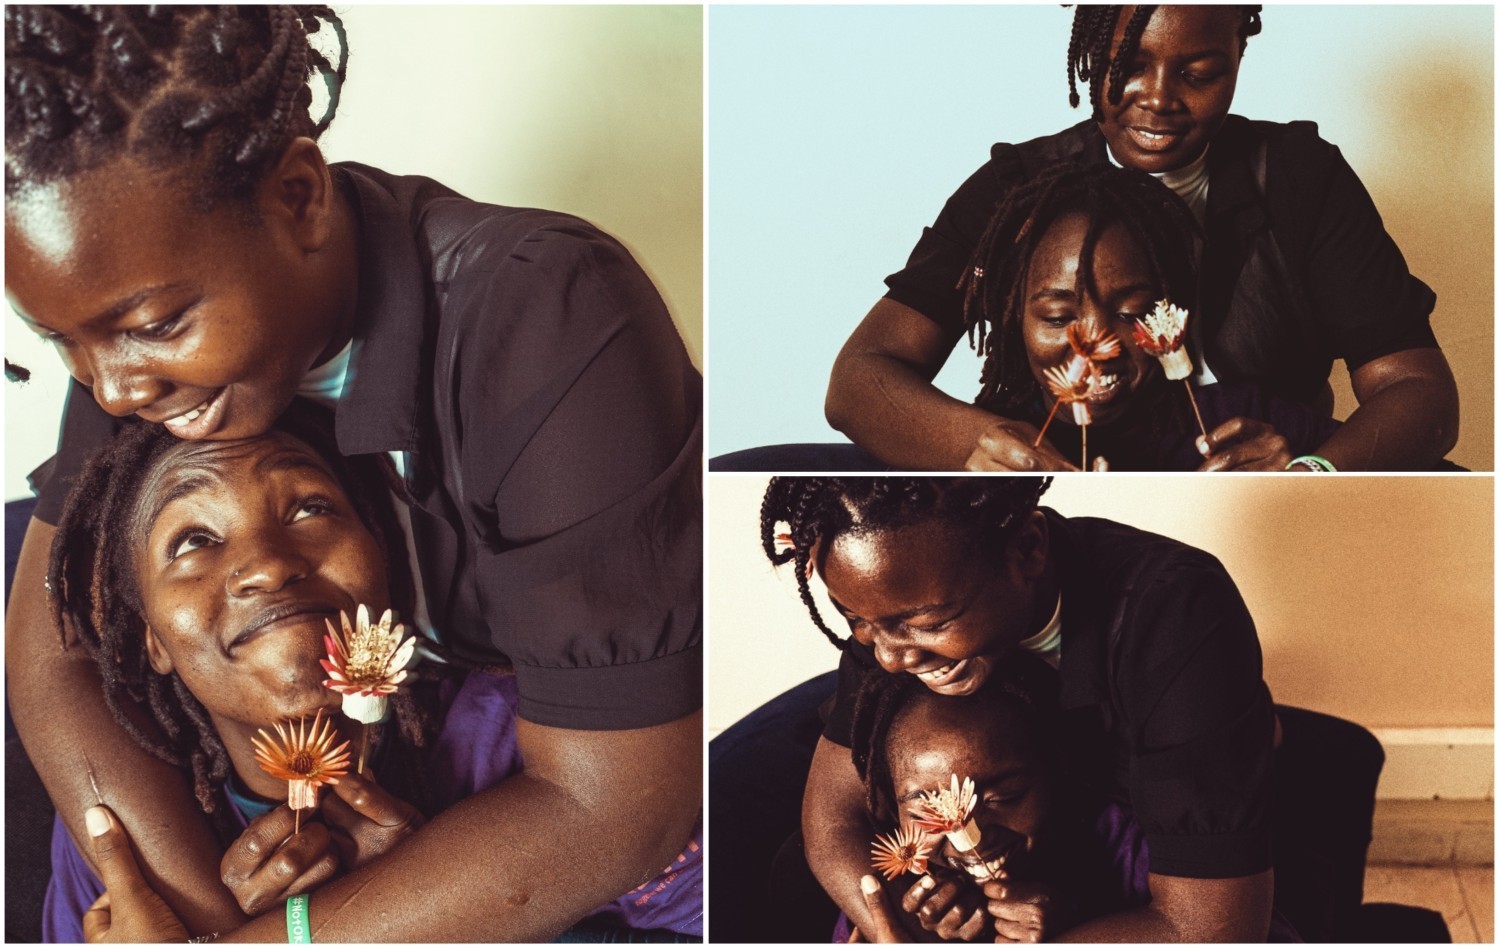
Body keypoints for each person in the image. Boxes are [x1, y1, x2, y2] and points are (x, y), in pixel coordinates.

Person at [5, 7, 701, 940]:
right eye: (63, 341)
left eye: (156, 326)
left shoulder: (549, 314)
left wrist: (284, 936)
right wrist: (204, 918)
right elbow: (53, 647)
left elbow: (612, 810)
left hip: (541, 774)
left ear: (298, 197)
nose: (115, 389)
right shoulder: (135, 333)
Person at [41, 405, 702, 942]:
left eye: (309, 508)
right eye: (194, 541)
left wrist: (438, 903)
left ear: (381, 559)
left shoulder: (522, 736)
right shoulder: (126, 832)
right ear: (151, 639)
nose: (268, 564)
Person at [741, 476, 1381, 942]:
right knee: (786, 870)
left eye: (928, 622)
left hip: (1184, 852)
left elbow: (1208, 927)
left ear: (1028, 549)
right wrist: (894, 925)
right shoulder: (895, 610)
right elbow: (831, 818)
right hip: (1035, 855)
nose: (887, 658)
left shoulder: (1173, 612)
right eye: (859, 624)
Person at [824, 5, 1458, 472]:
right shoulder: (1016, 189)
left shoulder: (1300, 178)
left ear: (1240, 49)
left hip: (1248, 492)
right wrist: (979, 442)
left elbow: (1417, 391)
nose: (1157, 99)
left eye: (1199, 73)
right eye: (1125, 67)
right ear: (1089, 52)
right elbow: (860, 378)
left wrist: (1311, 473)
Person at [956, 162, 1338, 471]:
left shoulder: (1240, 421)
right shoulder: (987, 446)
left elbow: (1390, 462)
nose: (1096, 344)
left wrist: (1305, 473)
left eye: (1130, 313)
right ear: (1012, 318)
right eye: (1058, 317)